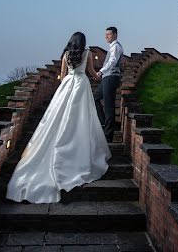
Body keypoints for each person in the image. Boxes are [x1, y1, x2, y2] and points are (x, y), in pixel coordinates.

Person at [6, 32, 112, 203]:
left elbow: (62, 76)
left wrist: (67, 81)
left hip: (67, 84)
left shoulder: (66, 54)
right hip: (81, 85)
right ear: (83, 42)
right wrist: (99, 76)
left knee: (57, 115)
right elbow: (91, 72)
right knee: (82, 118)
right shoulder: (87, 53)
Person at [94, 26, 123, 142]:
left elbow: (112, 62)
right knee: (94, 98)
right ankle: (103, 123)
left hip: (111, 78)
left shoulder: (116, 47)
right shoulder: (112, 47)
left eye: (109, 34)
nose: (106, 36)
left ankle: (108, 135)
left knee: (109, 106)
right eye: (105, 34)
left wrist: (101, 71)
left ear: (115, 35)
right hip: (107, 78)